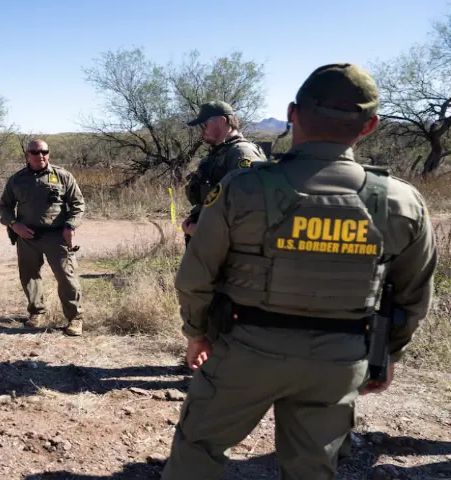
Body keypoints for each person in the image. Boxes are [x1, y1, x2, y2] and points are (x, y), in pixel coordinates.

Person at [162, 64, 438, 479]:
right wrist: (387, 355)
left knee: (198, 450)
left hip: (247, 350)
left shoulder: (243, 187)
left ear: (293, 113)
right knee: (314, 466)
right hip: (339, 360)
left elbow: (196, 276)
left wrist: (197, 333)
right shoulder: (402, 201)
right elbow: (414, 297)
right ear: (371, 126)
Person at [0, 139, 86, 336]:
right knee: (29, 276)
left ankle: (75, 318)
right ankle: (36, 312)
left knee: (66, 277)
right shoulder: (16, 179)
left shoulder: (62, 176)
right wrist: (14, 224)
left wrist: (71, 226)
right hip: (27, 236)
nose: (41, 156)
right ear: (27, 155)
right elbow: (4, 206)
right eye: (35, 152)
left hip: (56, 235)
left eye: (44, 152)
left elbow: (78, 204)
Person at [182, 100, 267, 244]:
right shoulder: (219, 153)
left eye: (204, 125)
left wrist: (204, 231)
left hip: (228, 250)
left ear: (222, 121)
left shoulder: (241, 153)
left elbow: (250, 212)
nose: (202, 130)